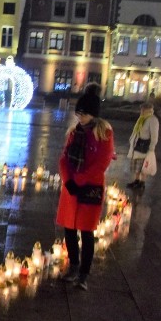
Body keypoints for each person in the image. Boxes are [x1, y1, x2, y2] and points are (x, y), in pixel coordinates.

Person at [56, 83, 114, 290]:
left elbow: (102, 163)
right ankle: (73, 266)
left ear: (93, 114)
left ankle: (83, 274)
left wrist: (79, 181)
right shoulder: (74, 132)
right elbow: (64, 157)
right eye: (78, 113)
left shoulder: (103, 134)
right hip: (71, 188)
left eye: (83, 114)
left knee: (86, 232)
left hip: (89, 188)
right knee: (69, 229)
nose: (80, 118)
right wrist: (68, 180)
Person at [127, 102, 159, 189]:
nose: (141, 111)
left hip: (144, 145)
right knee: (136, 164)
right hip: (137, 144)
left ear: (148, 110)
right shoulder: (142, 118)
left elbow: (154, 135)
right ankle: (136, 181)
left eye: (143, 109)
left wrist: (151, 148)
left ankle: (142, 183)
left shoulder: (152, 120)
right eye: (141, 109)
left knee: (144, 165)